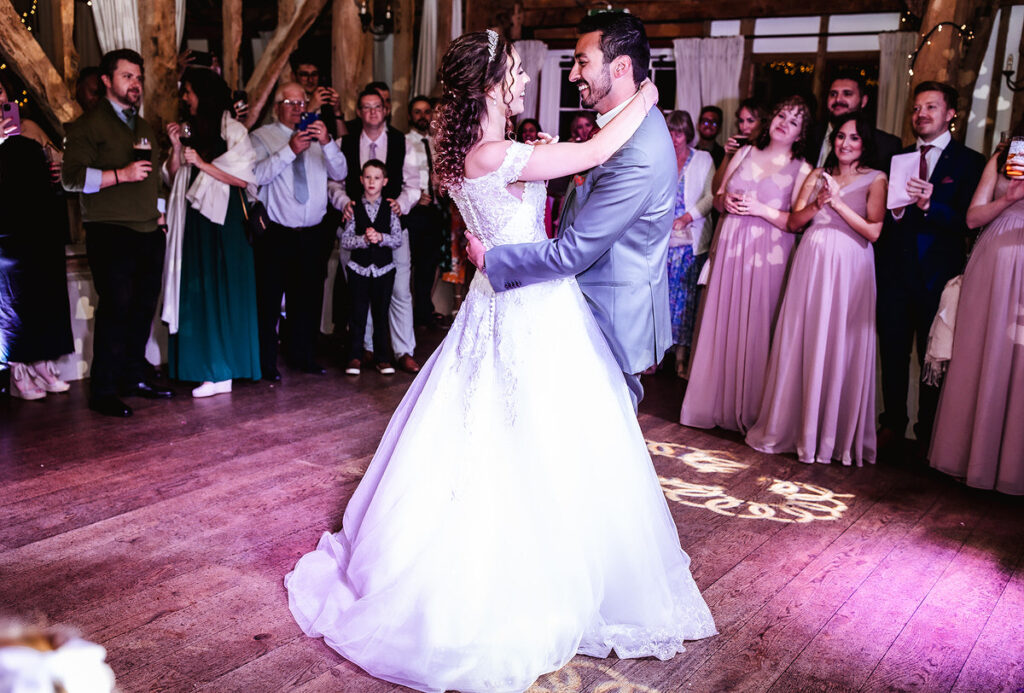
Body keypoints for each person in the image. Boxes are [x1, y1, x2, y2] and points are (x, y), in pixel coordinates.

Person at [285, 24, 716, 693]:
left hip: (497, 296)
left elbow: (518, 192)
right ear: (490, 82)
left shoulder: (463, 149)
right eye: (513, 72)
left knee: (489, 428)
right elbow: (597, 147)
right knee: (539, 434)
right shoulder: (500, 153)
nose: (522, 80)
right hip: (530, 302)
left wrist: (535, 157)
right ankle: (539, 569)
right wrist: (646, 97)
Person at [746, 113, 887, 465]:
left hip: (850, 268)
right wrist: (819, 201)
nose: (845, 144)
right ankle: (792, 428)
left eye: (853, 138)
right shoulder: (816, 175)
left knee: (839, 342)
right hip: (810, 264)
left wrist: (838, 202)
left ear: (865, 143)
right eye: (840, 137)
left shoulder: (876, 178)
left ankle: (829, 437)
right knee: (803, 340)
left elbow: (873, 232)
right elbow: (794, 221)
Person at [680, 96, 814, 433]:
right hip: (729, 247)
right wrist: (729, 202)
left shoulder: (803, 169)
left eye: (794, 121)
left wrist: (760, 209)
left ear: (800, 134)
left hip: (770, 254)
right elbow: (718, 196)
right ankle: (710, 403)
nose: (784, 122)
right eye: (782, 114)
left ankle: (752, 410)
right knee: (722, 319)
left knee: (759, 324)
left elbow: (795, 222)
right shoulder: (745, 152)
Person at [875, 81, 985, 459]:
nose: (921, 114)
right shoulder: (897, 157)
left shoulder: (970, 162)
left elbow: (968, 222)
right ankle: (891, 424)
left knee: (932, 359)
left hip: (937, 277)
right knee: (891, 352)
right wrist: (899, 210)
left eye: (931, 107)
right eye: (917, 107)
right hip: (893, 273)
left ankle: (928, 434)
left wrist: (928, 204)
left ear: (950, 114)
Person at [62, 49, 174, 417]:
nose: (135, 84)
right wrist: (120, 175)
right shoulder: (87, 126)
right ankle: (104, 390)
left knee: (143, 307)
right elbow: (71, 178)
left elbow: (155, 181)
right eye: (127, 77)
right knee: (116, 308)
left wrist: (158, 216)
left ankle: (132, 376)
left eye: (138, 78)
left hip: (147, 230)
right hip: (109, 230)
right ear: (107, 81)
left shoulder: (142, 127)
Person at [929, 123, 1024, 493]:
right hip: (992, 261)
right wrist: (1010, 198)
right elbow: (971, 219)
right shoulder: (1004, 156)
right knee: (982, 352)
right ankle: (973, 459)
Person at [162, 67, 260, 397]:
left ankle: (221, 370)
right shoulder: (192, 129)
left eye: (189, 91)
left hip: (222, 221)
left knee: (219, 290)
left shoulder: (232, 130)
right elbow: (172, 176)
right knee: (197, 292)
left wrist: (202, 164)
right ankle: (201, 366)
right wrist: (176, 147)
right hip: (192, 221)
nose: (185, 98)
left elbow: (244, 178)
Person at [249, 83, 348, 379]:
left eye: (302, 102)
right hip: (276, 234)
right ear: (277, 106)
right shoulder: (261, 137)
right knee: (268, 302)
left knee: (307, 299)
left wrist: (328, 141)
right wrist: (289, 150)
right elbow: (255, 176)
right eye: (290, 102)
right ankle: (266, 364)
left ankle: (302, 356)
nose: (297, 107)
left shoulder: (319, 133)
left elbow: (340, 173)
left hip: (313, 233)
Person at [331, 88, 422, 374]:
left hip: (392, 229)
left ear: (386, 110)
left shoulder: (402, 142)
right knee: (359, 290)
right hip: (354, 229)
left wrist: (401, 204)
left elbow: (413, 185)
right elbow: (333, 182)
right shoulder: (343, 142)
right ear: (358, 112)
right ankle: (368, 348)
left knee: (399, 290)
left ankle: (403, 349)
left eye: (377, 106)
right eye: (366, 107)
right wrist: (343, 201)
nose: (372, 112)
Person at [0, 74, 74, 400]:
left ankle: (43, 361)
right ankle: (18, 368)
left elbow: (57, 157)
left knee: (45, 290)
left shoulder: (29, 125)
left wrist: (57, 166)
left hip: (41, 219)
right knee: (13, 298)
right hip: (6, 224)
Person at [339, 160, 403, 376]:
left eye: (376, 178)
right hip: (359, 269)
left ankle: (382, 358)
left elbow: (397, 239)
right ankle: (354, 356)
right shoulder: (354, 208)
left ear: (384, 181)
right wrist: (364, 240)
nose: (372, 182)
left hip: (384, 270)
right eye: (367, 177)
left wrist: (380, 237)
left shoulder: (391, 208)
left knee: (380, 314)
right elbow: (345, 241)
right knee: (357, 314)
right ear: (361, 180)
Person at [664, 110, 714, 377]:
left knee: (685, 303)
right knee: (660, 301)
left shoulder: (703, 159)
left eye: (679, 133)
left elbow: (710, 197)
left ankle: (682, 358)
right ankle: (656, 356)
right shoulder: (661, 156)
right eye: (670, 132)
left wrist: (686, 217)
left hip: (690, 243)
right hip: (661, 242)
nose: (674, 138)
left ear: (688, 134)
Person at [404, 95, 446, 328]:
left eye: (427, 111)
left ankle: (423, 312)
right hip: (413, 211)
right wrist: (415, 195)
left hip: (435, 210)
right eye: (417, 112)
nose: (423, 116)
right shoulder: (402, 142)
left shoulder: (436, 143)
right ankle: (406, 315)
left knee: (429, 265)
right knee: (409, 264)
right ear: (410, 116)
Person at [807, 71, 902, 170]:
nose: (838, 99)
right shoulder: (808, 135)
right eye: (833, 94)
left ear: (863, 101)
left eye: (847, 94)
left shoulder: (886, 146)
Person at [712, 98, 767, 196]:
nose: (744, 126)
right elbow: (715, 191)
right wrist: (727, 156)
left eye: (750, 121)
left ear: (763, 123)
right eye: (741, 121)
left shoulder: (769, 151)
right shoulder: (739, 150)